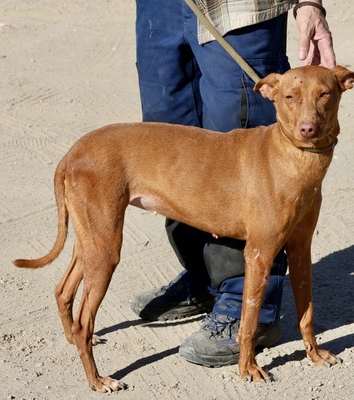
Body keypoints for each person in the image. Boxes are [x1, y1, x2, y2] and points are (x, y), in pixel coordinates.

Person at [131, 0, 335, 367]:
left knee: (240, 136)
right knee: (171, 147)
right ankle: (203, 277)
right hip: (158, 9)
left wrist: (309, 3)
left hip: (239, 8)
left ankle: (244, 299)